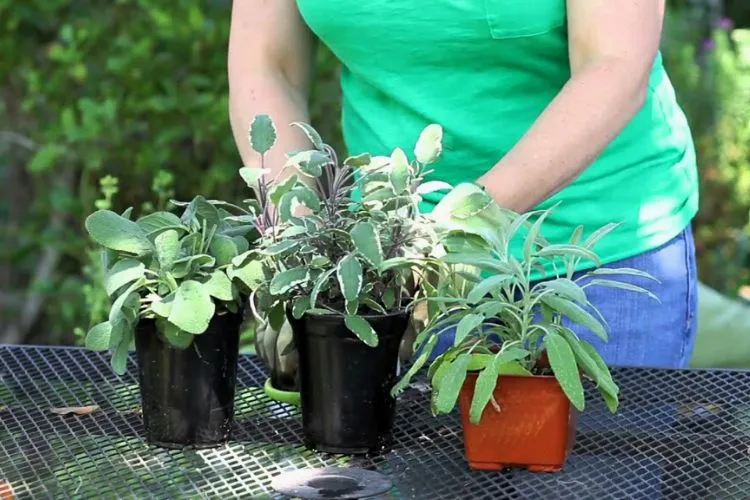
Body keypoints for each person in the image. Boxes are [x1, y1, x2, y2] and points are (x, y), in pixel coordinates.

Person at [228, 1, 699, 369]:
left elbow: (614, 64)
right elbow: (268, 65)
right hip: (397, 275)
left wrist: (453, 229)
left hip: (592, 260)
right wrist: (301, 243)